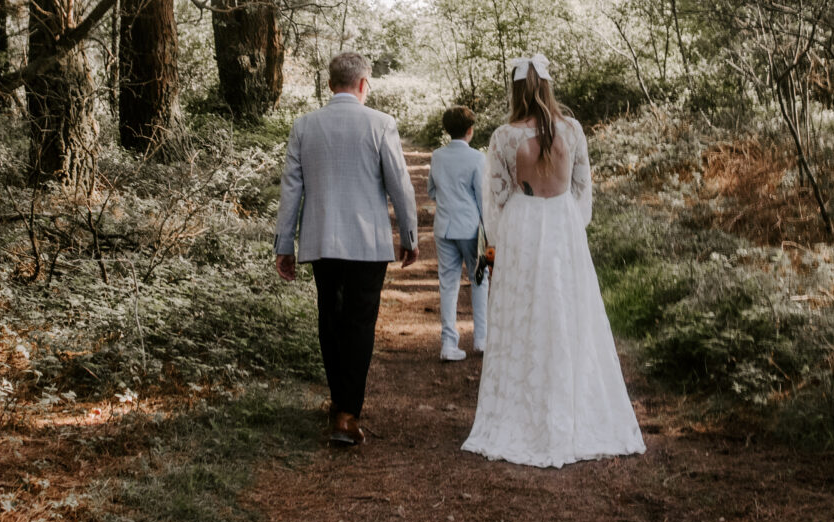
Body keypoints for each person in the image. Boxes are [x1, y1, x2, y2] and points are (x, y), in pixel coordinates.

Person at [463, 54, 645, 468]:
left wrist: (499, 239)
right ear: (547, 85)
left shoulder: (503, 136)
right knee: (568, 313)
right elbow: (583, 189)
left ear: (515, 90)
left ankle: (524, 411)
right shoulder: (574, 130)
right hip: (563, 226)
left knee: (524, 314)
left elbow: (496, 197)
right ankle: (572, 406)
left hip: (523, 225)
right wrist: (569, 223)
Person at [274, 52, 418, 447]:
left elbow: (291, 190)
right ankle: (347, 413)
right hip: (367, 244)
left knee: (330, 320)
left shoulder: (304, 125)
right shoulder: (381, 124)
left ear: (331, 83)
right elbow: (399, 184)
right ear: (362, 83)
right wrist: (409, 235)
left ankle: (340, 403)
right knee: (358, 324)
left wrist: (284, 244)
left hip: (321, 242)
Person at [430, 105, 488, 361]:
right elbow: (483, 197)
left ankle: (448, 344)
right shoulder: (477, 158)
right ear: (470, 130)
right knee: (479, 280)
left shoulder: (437, 156)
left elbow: (432, 190)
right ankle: (482, 339)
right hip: (471, 228)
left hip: (444, 227)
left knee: (448, 284)